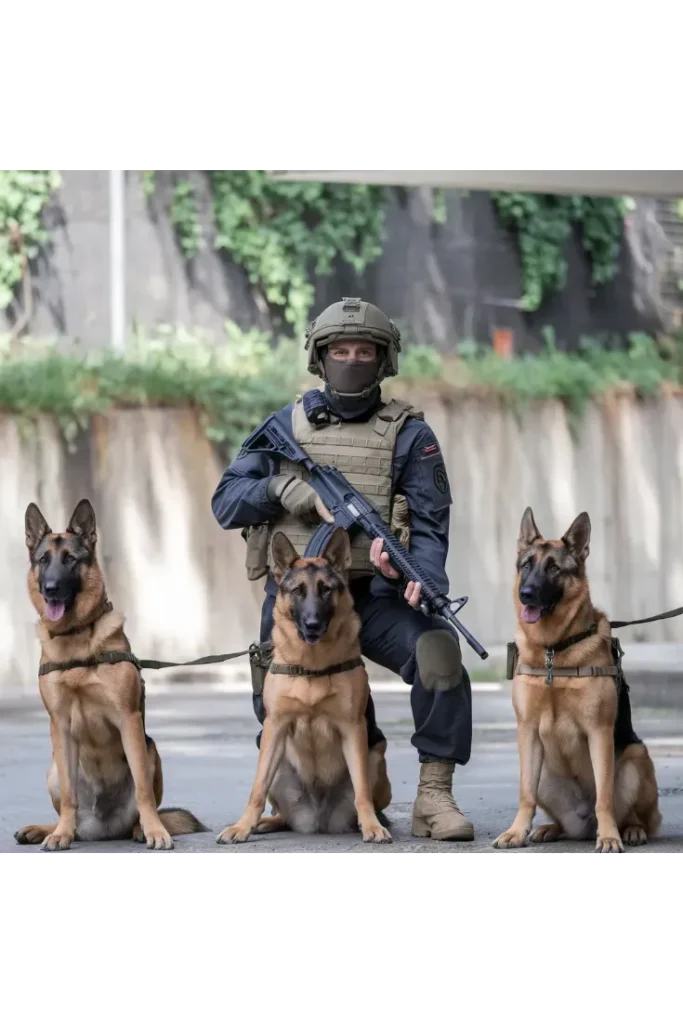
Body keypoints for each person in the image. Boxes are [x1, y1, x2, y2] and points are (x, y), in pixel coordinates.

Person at [211, 297, 474, 841]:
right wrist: (287, 489)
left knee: (440, 653)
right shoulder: (285, 425)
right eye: (340, 350)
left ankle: (433, 797)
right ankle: (294, 796)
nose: (352, 359)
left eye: (364, 351)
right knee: (278, 697)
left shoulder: (410, 435)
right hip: (297, 599)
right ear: (319, 356)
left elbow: (429, 527)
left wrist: (415, 577)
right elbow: (226, 502)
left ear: (384, 360)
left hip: (372, 597)